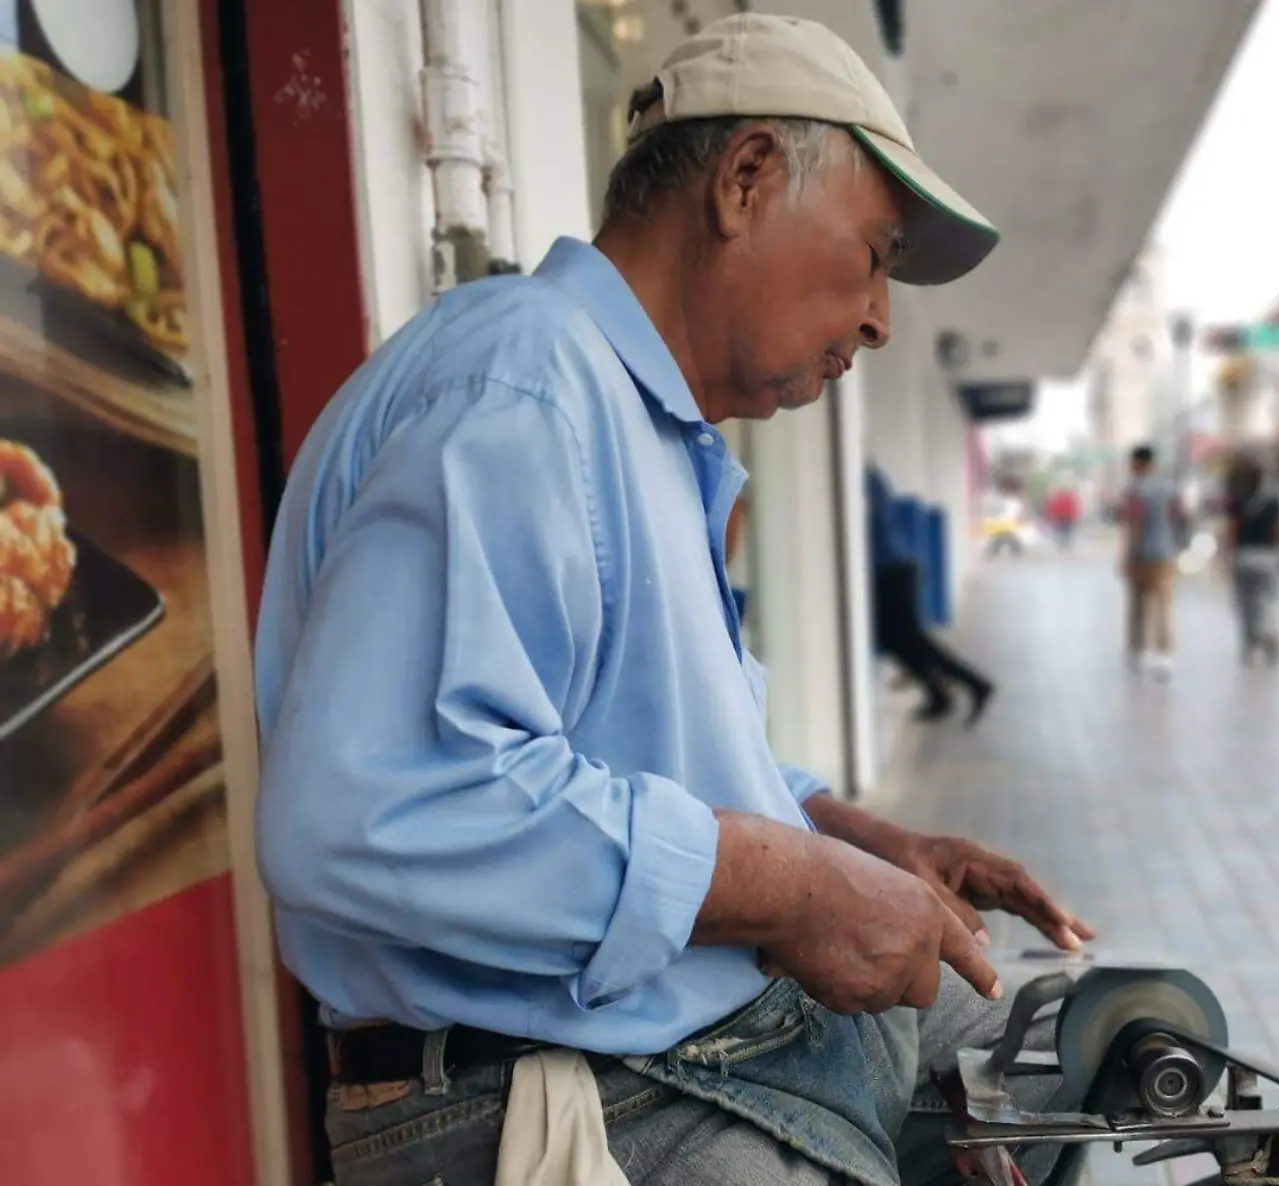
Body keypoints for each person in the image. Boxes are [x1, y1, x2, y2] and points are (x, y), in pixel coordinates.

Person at [251, 16, 1091, 1186]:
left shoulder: (636, 421)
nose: (879, 321)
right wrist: (790, 885)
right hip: (564, 1093)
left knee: (1086, 1058)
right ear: (745, 179)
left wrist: (858, 843)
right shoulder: (525, 390)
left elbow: (647, 763)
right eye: (874, 256)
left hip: (674, 1048)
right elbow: (359, 814)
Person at [866, 462, 995, 724]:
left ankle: (975, 684)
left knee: (911, 640)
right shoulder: (871, 475)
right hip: (895, 566)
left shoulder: (859, 478)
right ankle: (940, 695)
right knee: (896, 640)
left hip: (889, 571)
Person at [1118, 444, 1187, 678]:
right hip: (1166, 554)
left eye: (1132, 463)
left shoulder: (1135, 490)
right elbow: (1180, 517)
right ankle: (1164, 654)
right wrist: (1177, 544)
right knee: (1164, 605)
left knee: (1138, 605)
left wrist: (1127, 556)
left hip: (1142, 556)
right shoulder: (1169, 488)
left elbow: (1135, 524)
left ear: (1138, 463)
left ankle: (1138, 651)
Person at [1222, 453, 1279, 665]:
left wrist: (1224, 555)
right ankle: (1268, 631)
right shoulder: (1274, 500)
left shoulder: (1237, 500)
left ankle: (1249, 645)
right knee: (1266, 600)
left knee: (1245, 604)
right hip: (1268, 556)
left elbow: (1231, 531)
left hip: (1244, 556)